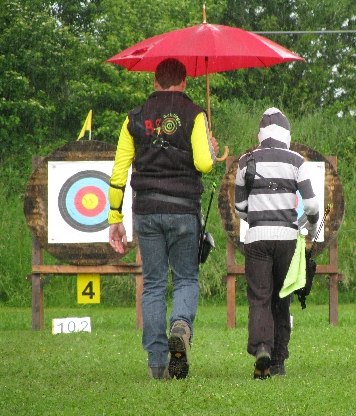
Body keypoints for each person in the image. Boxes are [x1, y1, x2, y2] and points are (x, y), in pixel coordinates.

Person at [107, 58, 218, 380]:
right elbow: (204, 164)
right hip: (183, 209)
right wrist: (210, 150)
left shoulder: (134, 118)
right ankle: (181, 325)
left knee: (153, 284)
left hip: (146, 211)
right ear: (184, 82)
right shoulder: (195, 113)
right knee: (185, 278)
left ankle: (157, 363)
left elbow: (118, 172)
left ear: (155, 82)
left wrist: (115, 217)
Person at [234, 108, 319, 379]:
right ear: (287, 133)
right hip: (287, 240)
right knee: (282, 300)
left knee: (260, 298)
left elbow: (239, 209)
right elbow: (312, 205)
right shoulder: (296, 161)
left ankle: (262, 348)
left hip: (257, 238)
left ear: (260, 134)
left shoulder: (245, 160)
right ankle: (279, 361)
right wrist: (310, 226)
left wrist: (257, 218)